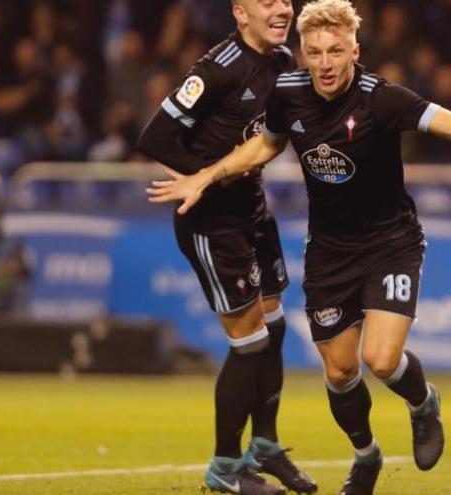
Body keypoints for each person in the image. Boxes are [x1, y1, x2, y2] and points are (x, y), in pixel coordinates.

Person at [147, 1, 451, 494]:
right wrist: (206, 176)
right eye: (315, 52)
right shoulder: (288, 91)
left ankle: (423, 402)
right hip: (329, 252)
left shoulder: (380, 98)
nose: (325, 62)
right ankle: (366, 456)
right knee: (340, 373)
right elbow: (265, 145)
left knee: (380, 360)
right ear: (302, 54)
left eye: (336, 51)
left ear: (354, 51)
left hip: (390, 243)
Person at [136, 1, 316, 494]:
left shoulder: (282, 62)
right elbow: (155, 136)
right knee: (251, 340)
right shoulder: (217, 69)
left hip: (253, 209)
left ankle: (266, 445)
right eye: (268, 2)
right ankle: (224, 467)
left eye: (286, 0)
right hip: (212, 220)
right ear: (240, 13)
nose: (282, 9)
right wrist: (200, 178)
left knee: (274, 327)